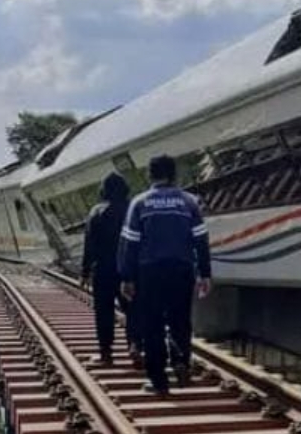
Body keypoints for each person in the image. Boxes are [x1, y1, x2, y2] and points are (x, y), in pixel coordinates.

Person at [118, 155, 211, 395]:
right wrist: (205, 273)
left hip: (149, 272)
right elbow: (200, 239)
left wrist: (127, 277)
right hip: (182, 270)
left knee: (153, 325)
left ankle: (158, 381)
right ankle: (181, 362)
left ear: (150, 175)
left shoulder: (139, 203)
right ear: (174, 175)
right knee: (180, 319)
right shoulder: (189, 203)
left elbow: (130, 243)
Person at [81, 172, 133, 365]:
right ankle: (135, 347)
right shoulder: (132, 210)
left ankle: (106, 354)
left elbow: (89, 245)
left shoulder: (96, 212)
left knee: (104, 312)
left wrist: (85, 271)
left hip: (103, 270)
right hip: (127, 269)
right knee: (133, 310)